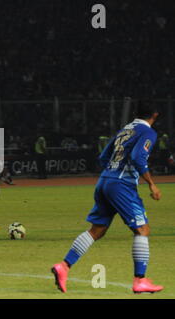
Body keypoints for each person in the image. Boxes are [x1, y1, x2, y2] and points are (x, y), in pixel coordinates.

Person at [51, 101, 164, 294]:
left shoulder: (125, 129)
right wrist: (151, 183)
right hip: (121, 185)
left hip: (105, 180)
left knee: (97, 230)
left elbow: (104, 156)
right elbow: (138, 157)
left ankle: (64, 266)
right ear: (155, 115)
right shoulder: (148, 132)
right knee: (142, 229)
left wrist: (112, 175)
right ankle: (140, 280)